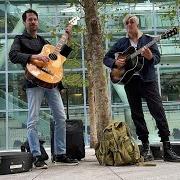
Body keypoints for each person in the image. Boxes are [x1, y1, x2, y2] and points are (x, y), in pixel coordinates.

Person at [103, 14, 180, 162]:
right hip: (130, 82)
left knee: (158, 112)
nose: (129, 24)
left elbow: (157, 58)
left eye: (131, 21)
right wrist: (115, 63)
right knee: (137, 115)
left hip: (148, 81)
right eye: (126, 22)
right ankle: (145, 148)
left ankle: (168, 149)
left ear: (137, 24)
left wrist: (150, 57)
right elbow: (106, 58)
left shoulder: (149, 40)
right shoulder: (122, 43)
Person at [9, 9, 78, 169]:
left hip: (51, 83)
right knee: (33, 120)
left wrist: (68, 37)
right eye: (30, 20)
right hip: (33, 82)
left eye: (35, 19)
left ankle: (60, 154)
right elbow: (13, 56)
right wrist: (34, 57)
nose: (33, 22)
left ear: (38, 22)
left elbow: (59, 59)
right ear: (25, 22)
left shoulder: (43, 42)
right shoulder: (20, 39)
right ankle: (36, 156)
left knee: (60, 117)